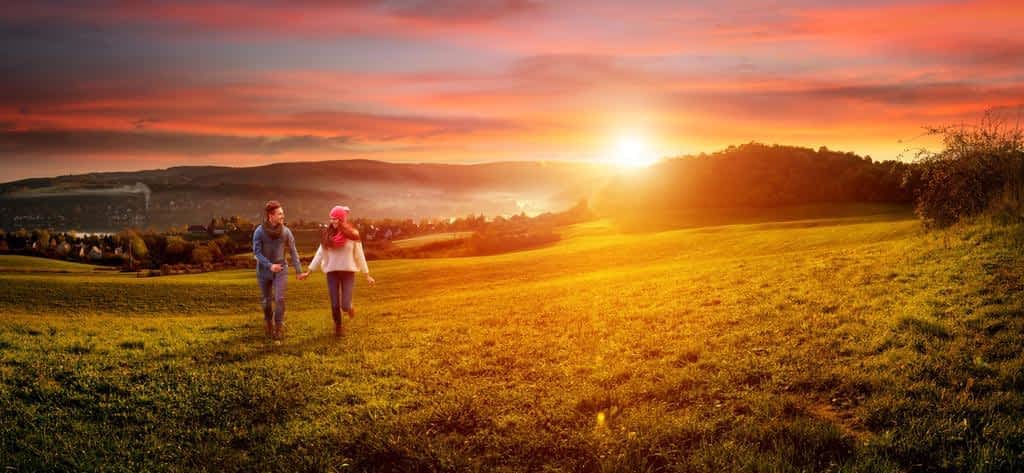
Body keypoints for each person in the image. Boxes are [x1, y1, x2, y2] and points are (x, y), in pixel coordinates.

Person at [299, 205, 375, 337]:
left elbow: (359, 255)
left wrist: (367, 274)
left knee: (344, 305)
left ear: (342, 219)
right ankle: (338, 326)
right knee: (334, 304)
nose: (333, 221)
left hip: (348, 273)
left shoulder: (353, 235)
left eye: (336, 218)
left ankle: (349, 308)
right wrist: (309, 271)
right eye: (331, 218)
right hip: (332, 273)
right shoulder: (327, 236)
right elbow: (319, 254)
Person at [253, 200, 303, 340]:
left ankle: (278, 326)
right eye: (280, 214)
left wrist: (298, 271)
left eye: (282, 213)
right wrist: (269, 265)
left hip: (281, 269)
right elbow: (257, 253)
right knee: (266, 301)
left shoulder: (286, 232)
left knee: (280, 299)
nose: (283, 216)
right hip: (264, 271)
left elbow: (293, 252)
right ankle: (268, 321)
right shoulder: (259, 231)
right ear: (271, 215)